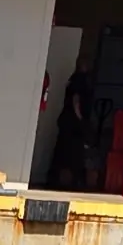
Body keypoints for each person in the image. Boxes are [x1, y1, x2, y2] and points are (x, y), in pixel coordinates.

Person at [48, 61, 95, 190]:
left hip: (67, 122)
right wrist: (80, 118)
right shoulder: (80, 80)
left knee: (62, 150)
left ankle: (58, 178)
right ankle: (72, 180)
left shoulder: (73, 79)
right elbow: (76, 100)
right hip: (73, 125)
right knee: (73, 152)